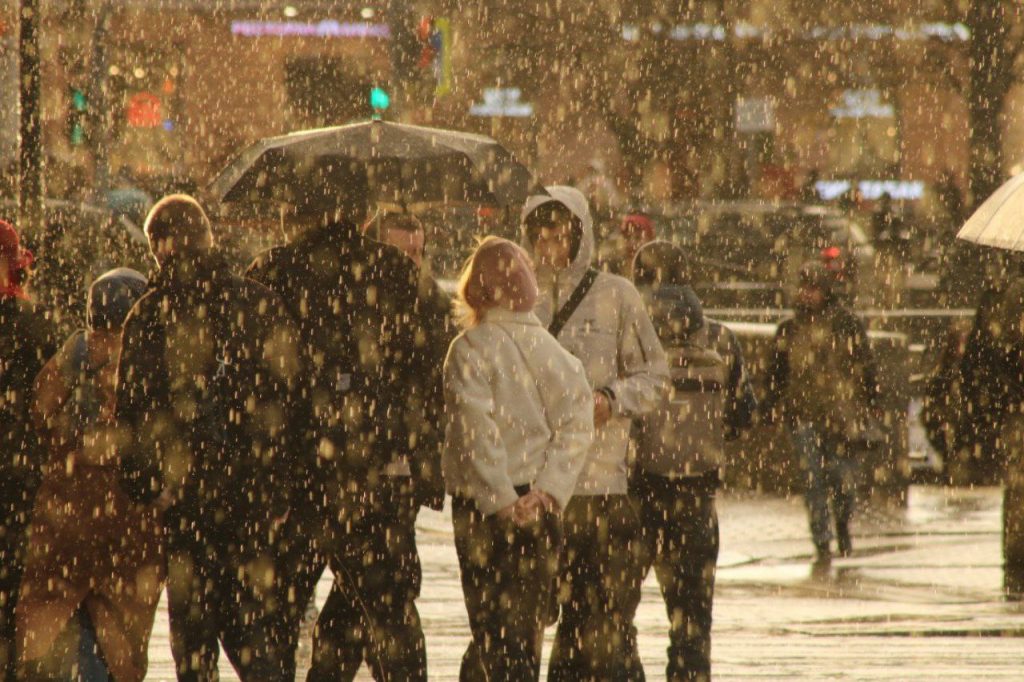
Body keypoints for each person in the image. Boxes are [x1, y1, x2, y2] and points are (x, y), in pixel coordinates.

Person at [246, 176, 447, 682]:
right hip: (374, 471)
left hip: (295, 474)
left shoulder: (272, 272)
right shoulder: (397, 273)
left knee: (276, 616)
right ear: (360, 216)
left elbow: (252, 380)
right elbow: (427, 375)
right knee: (389, 615)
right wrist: (419, 461)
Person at [115, 195, 308, 680]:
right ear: (208, 238)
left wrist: (146, 485)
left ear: (159, 248)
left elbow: (134, 415)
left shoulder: (149, 315)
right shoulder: (258, 303)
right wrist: (280, 485)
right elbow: (290, 402)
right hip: (251, 502)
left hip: (187, 504)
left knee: (195, 649)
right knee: (257, 641)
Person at [520, 186, 669, 681]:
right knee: (534, 626)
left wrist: (611, 400)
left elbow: (655, 378)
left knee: (605, 626)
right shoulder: (520, 300)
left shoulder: (616, 295)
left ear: (578, 236)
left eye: (559, 236)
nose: (549, 248)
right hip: (540, 493)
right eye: (540, 237)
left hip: (603, 489)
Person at [443, 236, 593, 682]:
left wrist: (502, 499)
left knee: (493, 633)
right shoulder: (555, 352)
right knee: (525, 632)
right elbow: (576, 425)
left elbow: (477, 433)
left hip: (484, 511)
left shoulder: (469, 349)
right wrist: (546, 491)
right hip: (541, 507)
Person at [18, 268, 163, 682]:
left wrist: (71, 445)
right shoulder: (151, 353)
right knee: (121, 631)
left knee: (56, 619)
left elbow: (40, 406)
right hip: (132, 515)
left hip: (70, 507)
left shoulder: (79, 348)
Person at [630, 241, 756, 682]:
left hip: (637, 492)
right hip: (697, 498)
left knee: (613, 618)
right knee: (692, 625)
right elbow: (743, 418)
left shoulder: (629, 338)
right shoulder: (722, 340)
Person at [762, 261, 881, 565]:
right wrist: (770, 408)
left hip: (840, 416)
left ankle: (841, 525)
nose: (806, 294)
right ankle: (822, 541)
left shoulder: (846, 324)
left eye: (812, 288)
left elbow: (866, 366)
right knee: (813, 481)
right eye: (804, 287)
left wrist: (870, 401)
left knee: (841, 479)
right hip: (802, 416)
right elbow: (776, 376)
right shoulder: (789, 329)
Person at [0, 219, 59, 679]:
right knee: (15, 583)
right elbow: (51, 407)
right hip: (20, 472)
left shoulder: (31, 324)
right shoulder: (34, 324)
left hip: (18, 472)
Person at [955, 263, 1024, 599]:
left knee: (1017, 487)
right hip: (1014, 403)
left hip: (1013, 406)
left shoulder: (998, 295)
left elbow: (978, 358)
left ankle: (1015, 556)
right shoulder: (1004, 297)